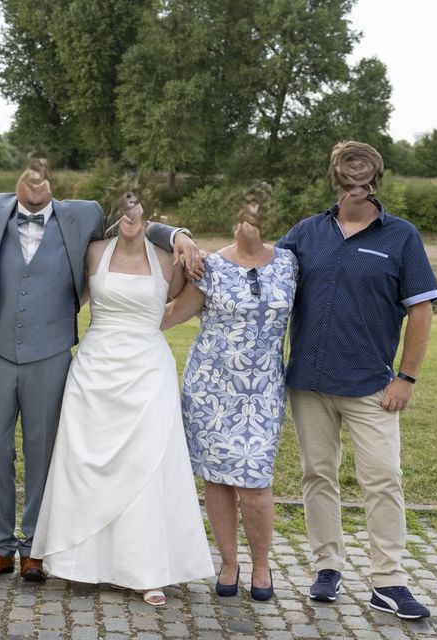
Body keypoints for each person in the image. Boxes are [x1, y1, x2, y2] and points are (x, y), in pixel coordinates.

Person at [0, 161, 205, 583]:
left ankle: (35, 548)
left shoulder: (84, 216)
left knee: (45, 452)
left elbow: (135, 224)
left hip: (52, 353)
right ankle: (0, 547)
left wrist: (178, 234)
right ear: (16, 180)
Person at [277, 141, 437, 619]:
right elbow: (262, 276)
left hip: (372, 385)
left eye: (365, 178)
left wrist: (406, 377)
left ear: (376, 180)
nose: (357, 186)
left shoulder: (401, 236)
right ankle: (327, 567)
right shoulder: (306, 234)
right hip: (308, 382)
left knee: (383, 479)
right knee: (317, 475)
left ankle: (388, 581)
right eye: (348, 178)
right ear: (336, 179)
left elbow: (422, 309)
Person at [32, 192, 214, 605]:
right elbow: (61, 292)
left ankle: (146, 569)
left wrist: (180, 237)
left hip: (147, 370)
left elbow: (191, 297)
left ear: (150, 215)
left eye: (138, 207)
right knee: (85, 464)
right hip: (95, 369)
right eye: (123, 208)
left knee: (146, 466)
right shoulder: (92, 251)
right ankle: (80, 563)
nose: (130, 214)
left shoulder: (168, 260)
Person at [162, 184, 297, 602]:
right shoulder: (211, 267)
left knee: (255, 482)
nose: (248, 220)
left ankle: (260, 565)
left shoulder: (290, 264)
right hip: (211, 390)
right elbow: (172, 313)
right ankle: (227, 563)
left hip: (262, 392)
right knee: (217, 480)